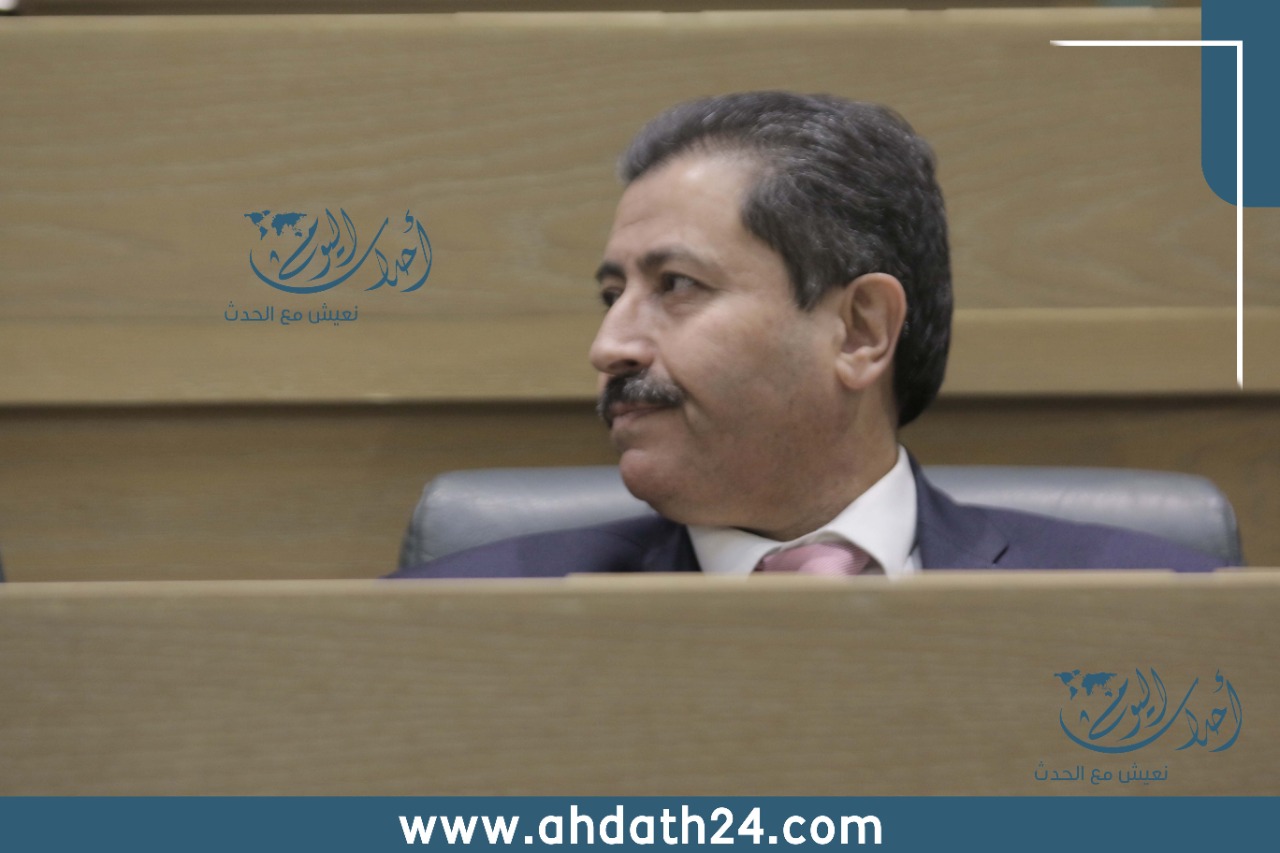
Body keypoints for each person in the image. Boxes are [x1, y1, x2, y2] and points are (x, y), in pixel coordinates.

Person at [390, 91, 1221, 579]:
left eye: (674, 285)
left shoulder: (1161, 609)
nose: (609, 347)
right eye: (613, 294)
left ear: (860, 331)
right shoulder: (452, 626)